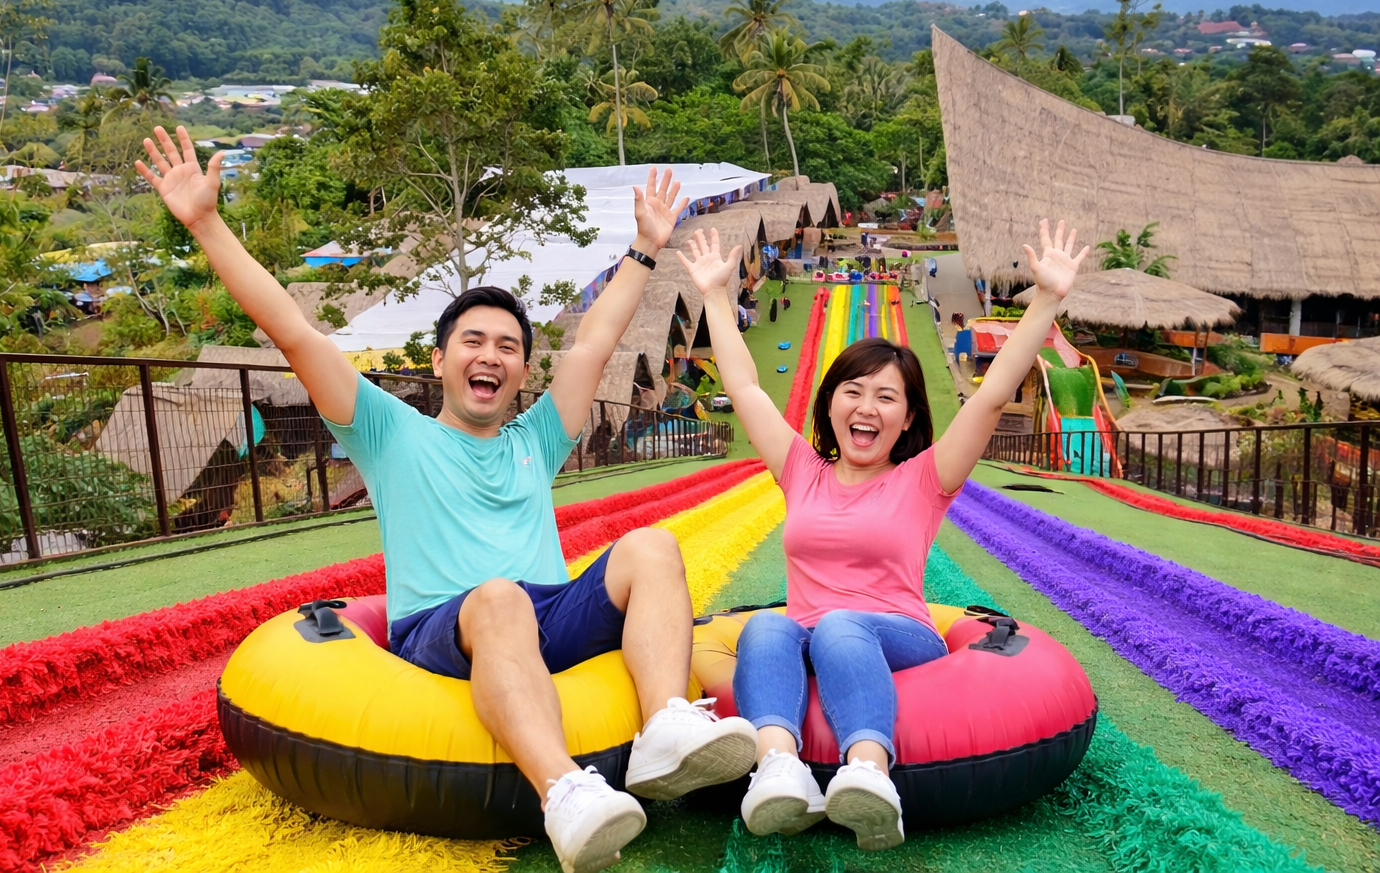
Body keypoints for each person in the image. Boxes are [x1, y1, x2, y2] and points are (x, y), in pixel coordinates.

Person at [137, 128, 758, 873]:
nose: (490, 355)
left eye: (507, 346)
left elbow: (593, 343)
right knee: (498, 597)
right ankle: (564, 792)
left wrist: (645, 248)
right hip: (443, 628)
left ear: (522, 371)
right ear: (439, 360)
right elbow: (294, 333)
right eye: (473, 341)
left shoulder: (536, 439)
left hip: (542, 620)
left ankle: (664, 730)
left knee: (652, 546)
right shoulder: (389, 431)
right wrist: (207, 223)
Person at [677, 220, 1087, 852]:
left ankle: (870, 777)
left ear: (908, 417)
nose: (867, 407)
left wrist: (1047, 301)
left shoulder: (925, 478)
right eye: (853, 391)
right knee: (765, 629)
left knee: (840, 625)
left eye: (886, 397)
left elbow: (990, 396)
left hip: (898, 635)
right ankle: (779, 768)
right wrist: (712, 295)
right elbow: (745, 388)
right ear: (830, 404)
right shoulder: (802, 471)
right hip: (810, 637)